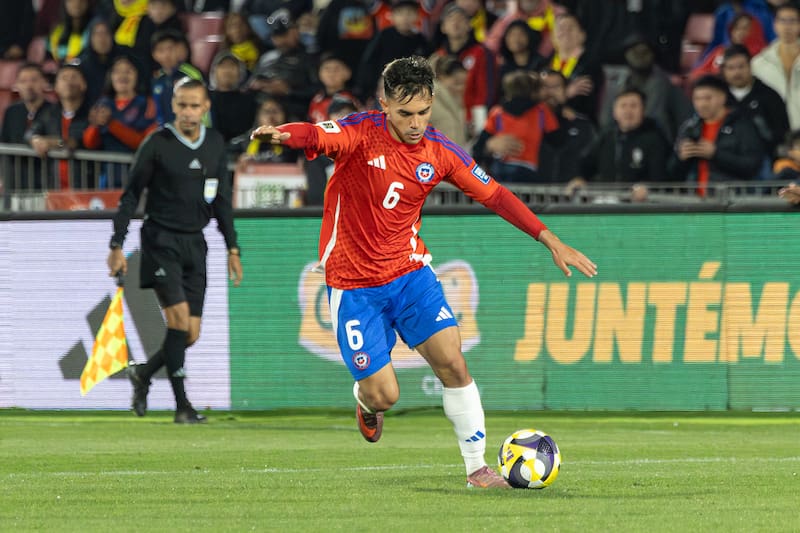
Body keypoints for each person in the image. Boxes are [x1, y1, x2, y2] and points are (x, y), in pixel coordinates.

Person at [250, 56, 596, 487]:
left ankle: (477, 468)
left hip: (410, 275)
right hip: (354, 284)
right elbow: (316, 135)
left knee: (453, 362)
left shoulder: (440, 152)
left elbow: (496, 196)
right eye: (405, 113)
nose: (415, 123)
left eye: (423, 112)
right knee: (385, 394)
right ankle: (366, 403)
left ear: (432, 103)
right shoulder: (359, 132)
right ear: (384, 104)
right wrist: (287, 133)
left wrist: (549, 238)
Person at [107, 77, 243, 424]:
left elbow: (223, 201)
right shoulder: (157, 143)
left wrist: (232, 247)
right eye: (181, 104)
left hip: (195, 244)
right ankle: (183, 408)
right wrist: (117, 244)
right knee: (179, 322)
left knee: (190, 334)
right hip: (160, 240)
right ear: (173, 105)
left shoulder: (215, 144)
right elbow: (130, 195)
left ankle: (143, 373)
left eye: (194, 105)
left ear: (205, 107)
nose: (187, 112)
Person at [672, 75, 765, 196]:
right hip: (694, 203)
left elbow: (752, 165)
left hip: (730, 203)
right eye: (697, 99)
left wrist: (716, 154)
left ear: (722, 97)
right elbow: (672, 172)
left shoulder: (742, 125)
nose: (702, 104)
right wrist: (681, 158)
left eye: (707, 98)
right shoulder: (689, 127)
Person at [751, 3, 800, 129]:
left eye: (792, 21)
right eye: (782, 21)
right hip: (774, 134)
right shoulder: (759, 63)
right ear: (775, 25)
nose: (787, 26)